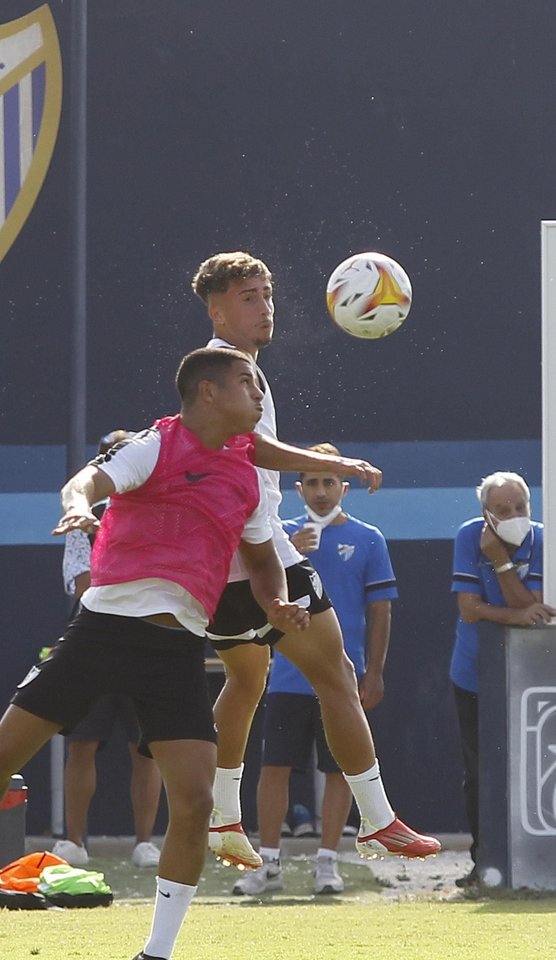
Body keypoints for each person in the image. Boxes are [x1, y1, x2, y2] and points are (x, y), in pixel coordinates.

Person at [0, 349, 309, 960]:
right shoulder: (156, 444)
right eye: (247, 384)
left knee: (195, 802)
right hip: (100, 631)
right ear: (207, 391)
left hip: (175, 648)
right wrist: (81, 509)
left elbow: (260, 561)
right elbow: (85, 481)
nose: (260, 395)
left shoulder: (248, 479)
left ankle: (155, 958)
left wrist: (276, 600)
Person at [193, 251, 439, 867]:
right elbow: (253, 449)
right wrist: (334, 462)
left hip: (221, 561)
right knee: (338, 677)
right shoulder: (226, 370)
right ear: (216, 311)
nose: (265, 307)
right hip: (261, 551)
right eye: (249, 297)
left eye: (268, 295)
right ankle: (377, 821)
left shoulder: (229, 368)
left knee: (245, 682)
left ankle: (222, 817)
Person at [234, 444, 398, 896]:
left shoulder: (369, 538)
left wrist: (374, 672)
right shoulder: (277, 536)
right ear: (298, 488)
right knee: (274, 767)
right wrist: (291, 552)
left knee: (339, 769)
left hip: (343, 680)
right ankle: (268, 864)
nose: (321, 491)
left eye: (328, 481)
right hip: (287, 677)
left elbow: (380, 611)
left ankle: (328, 863)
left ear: (344, 487)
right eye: (312, 482)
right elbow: (254, 594)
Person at [54, 429, 164, 869]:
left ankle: (145, 844)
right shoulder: (83, 516)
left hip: (145, 645)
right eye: (109, 459)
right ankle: (74, 843)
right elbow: (83, 584)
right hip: (93, 644)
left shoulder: (158, 513)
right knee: (81, 745)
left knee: (146, 749)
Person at [449, 471, 553, 886]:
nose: (513, 516)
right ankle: (485, 864)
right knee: (479, 773)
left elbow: (535, 608)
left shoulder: (545, 539)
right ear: (486, 515)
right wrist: (517, 614)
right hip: (472, 674)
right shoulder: (468, 536)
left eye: (520, 507)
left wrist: (500, 562)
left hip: (533, 678)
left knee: (534, 768)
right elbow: (470, 609)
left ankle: (538, 864)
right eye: (502, 510)